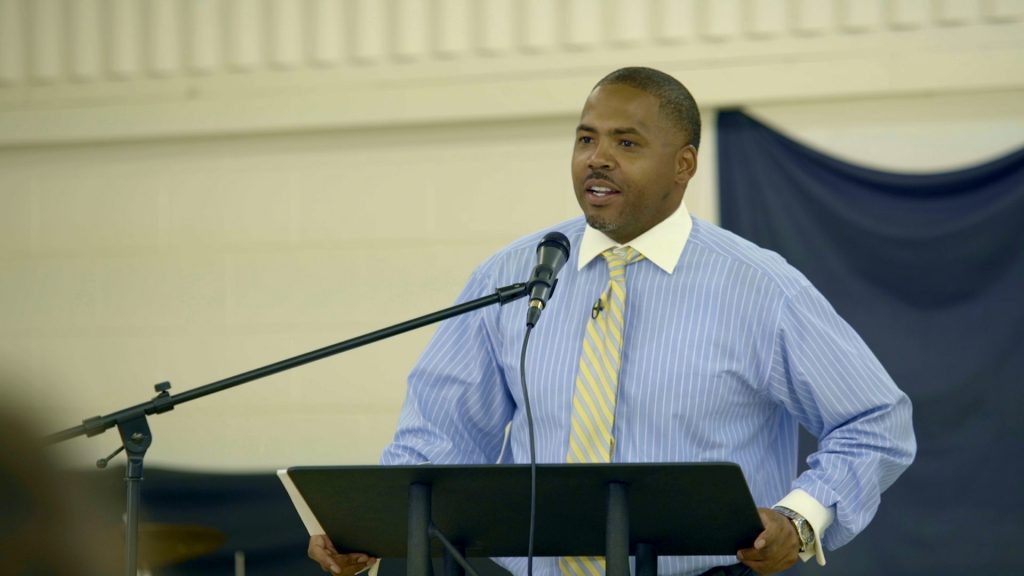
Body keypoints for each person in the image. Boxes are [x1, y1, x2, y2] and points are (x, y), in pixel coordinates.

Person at [308, 67, 916, 576]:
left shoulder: (760, 287)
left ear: (684, 164)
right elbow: (439, 434)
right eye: (585, 139)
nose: (597, 160)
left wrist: (800, 517)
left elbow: (874, 421)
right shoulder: (516, 273)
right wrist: (367, 527)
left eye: (626, 143)